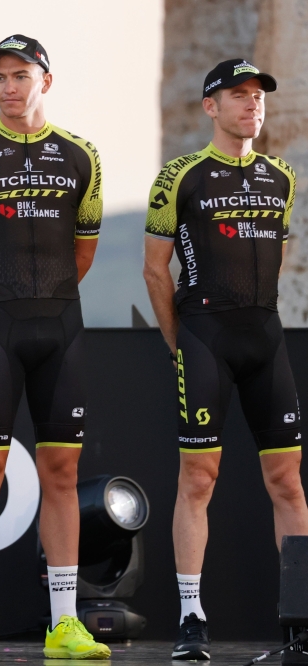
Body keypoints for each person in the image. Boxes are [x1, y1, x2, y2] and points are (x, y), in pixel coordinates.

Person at [0, 35, 110, 660]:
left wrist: (46, 301)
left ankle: (65, 620)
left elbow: (82, 253)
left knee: (63, 473)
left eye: (20, 75)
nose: (8, 87)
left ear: (46, 81)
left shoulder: (83, 155)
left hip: (61, 326)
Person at [143, 59, 308, 661]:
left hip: (264, 334)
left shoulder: (282, 177)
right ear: (210, 106)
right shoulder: (180, 177)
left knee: (288, 480)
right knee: (198, 479)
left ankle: (299, 621)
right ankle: (191, 617)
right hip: (204, 336)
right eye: (238, 96)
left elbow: (277, 260)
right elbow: (154, 269)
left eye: (259, 96)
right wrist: (176, 340)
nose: (252, 106)